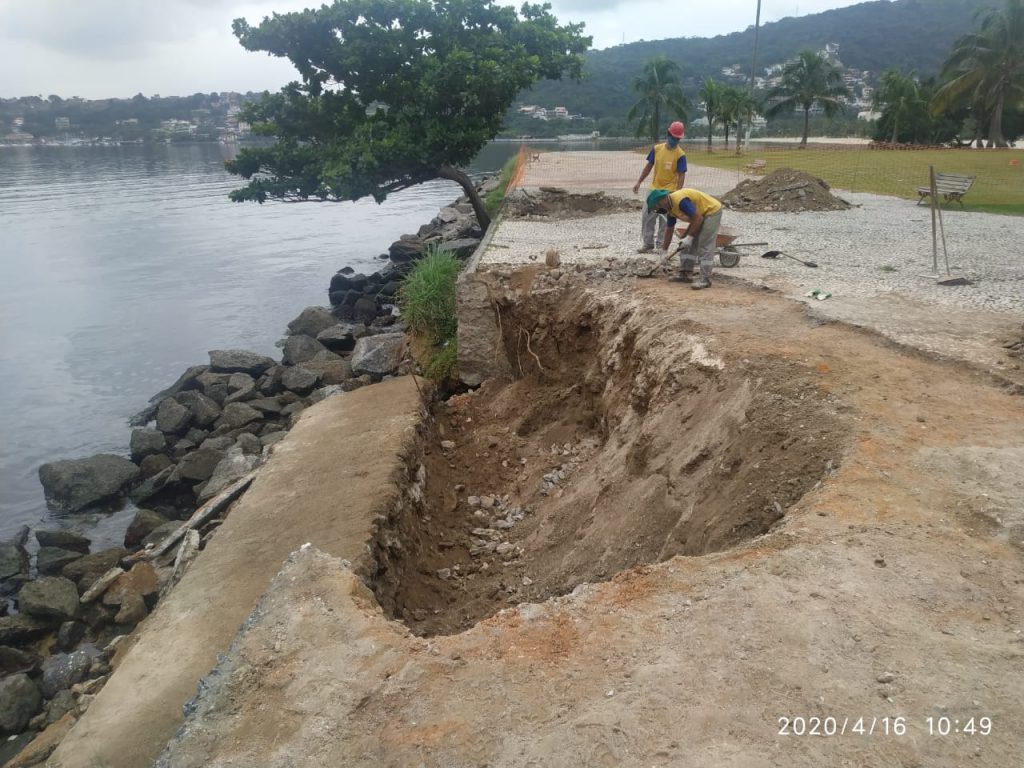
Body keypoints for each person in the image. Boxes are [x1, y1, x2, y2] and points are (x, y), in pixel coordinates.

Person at [645, 187, 723, 290]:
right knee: (684, 243)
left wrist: (689, 238)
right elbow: (669, 229)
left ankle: (705, 279)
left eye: (656, 207)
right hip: (699, 215)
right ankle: (686, 273)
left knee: (704, 244)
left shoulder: (680, 201)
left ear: (662, 201)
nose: (658, 210)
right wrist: (664, 251)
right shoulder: (670, 208)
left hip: (711, 211)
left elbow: (698, 218)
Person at [632, 121, 687, 253]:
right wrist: (639, 181)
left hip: (670, 191)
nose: (676, 141)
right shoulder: (657, 149)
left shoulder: (680, 155)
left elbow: (681, 175)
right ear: (668, 135)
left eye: (678, 139)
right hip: (654, 189)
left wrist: (678, 193)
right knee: (648, 216)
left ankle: (661, 245)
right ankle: (647, 244)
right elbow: (649, 166)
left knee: (665, 220)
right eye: (674, 138)